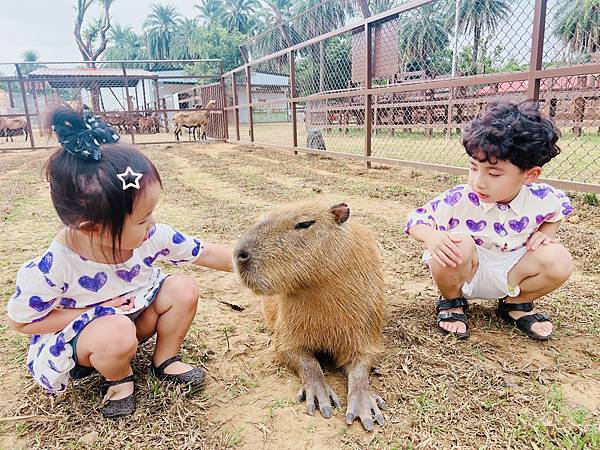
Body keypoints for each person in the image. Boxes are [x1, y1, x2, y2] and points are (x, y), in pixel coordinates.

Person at [6, 104, 233, 418]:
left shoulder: (150, 236)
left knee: (182, 288)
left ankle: (165, 359)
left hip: (135, 315)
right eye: (142, 219)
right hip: (89, 339)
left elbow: (204, 252)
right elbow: (21, 321)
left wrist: (256, 265)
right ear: (93, 228)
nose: (152, 223)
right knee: (115, 332)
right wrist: (94, 313)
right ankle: (118, 378)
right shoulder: (54, 266)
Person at [406, 101, 574, 340]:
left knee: (560, 259)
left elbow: (558, 211)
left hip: (512, 269)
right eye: (474, 168)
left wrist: (546, 234)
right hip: (468, 268)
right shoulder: (460, 198)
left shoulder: (543, 198)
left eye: (494, 174)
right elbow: (416, 220)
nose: (479, 182)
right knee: (456, 245)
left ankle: (515, 304)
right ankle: (452, 301)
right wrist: (431, 236)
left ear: (530, 174)